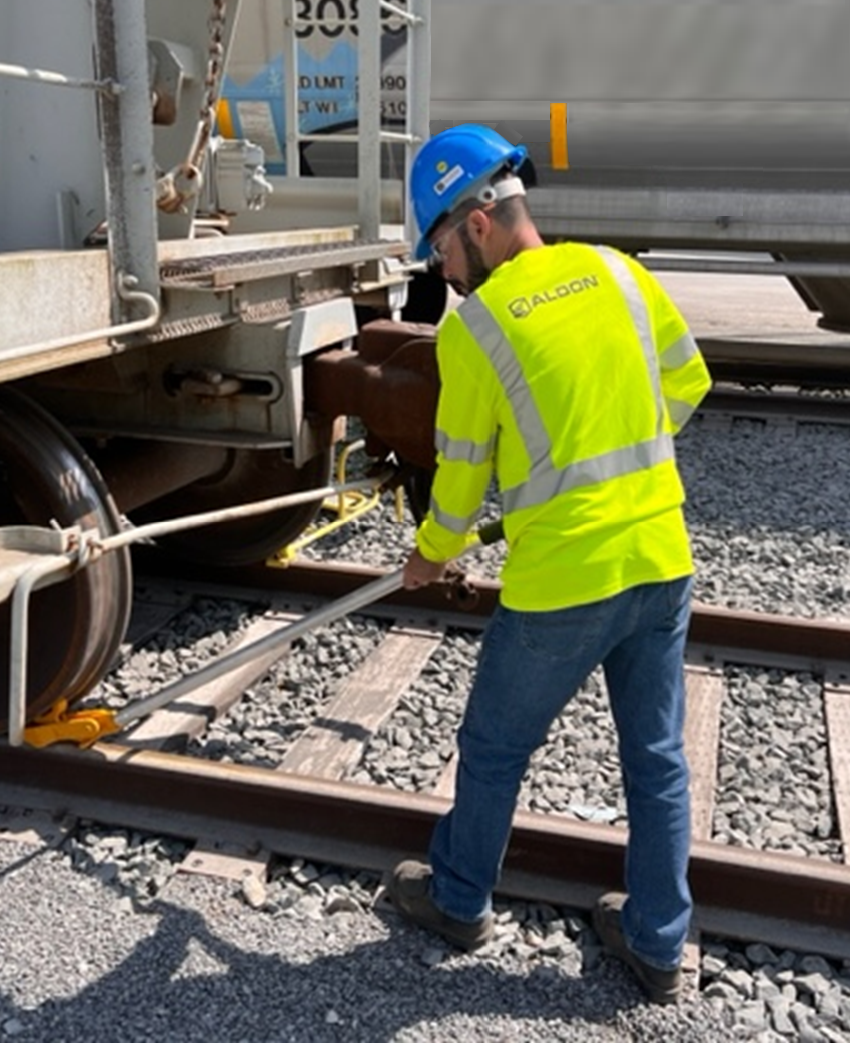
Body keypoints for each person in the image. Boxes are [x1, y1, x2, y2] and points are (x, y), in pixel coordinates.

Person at [383, 124, 711, 1005]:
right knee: (657, 760)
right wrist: (616, 465)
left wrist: (430, 555)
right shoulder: (620, 272)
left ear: (477, 221)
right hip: (661, 557)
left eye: (441, 249)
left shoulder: (478, 327)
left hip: (565, 583)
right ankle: (658, 944)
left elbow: (459, 480)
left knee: (494, 748)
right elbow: (688, 384)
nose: (443, 270)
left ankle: (459, 900)